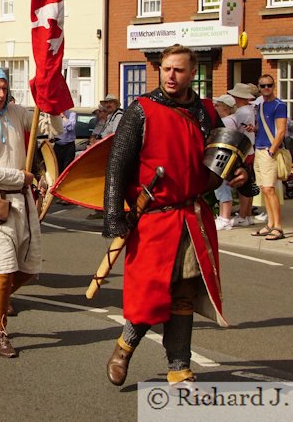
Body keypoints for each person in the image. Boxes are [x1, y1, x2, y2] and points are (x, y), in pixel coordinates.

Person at [102, 44, 247, 387]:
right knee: (152, 292)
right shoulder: (142, 110)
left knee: (184, 291)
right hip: (153, 217)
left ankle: (179, 365)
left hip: (193, 216)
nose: (170, 75)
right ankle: (124, 347)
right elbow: (117, 166)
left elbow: (223, 158)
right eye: (166, 69)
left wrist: (242, 175)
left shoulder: (207, 113)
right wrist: (113, 214)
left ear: (192, 73)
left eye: (178, 70)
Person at [0, 69, 58, 357]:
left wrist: (51, 105)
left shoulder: (17, 113)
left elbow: (50, 129)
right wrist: (20, 177)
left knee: (28, 270)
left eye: (4, 88)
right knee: (3, 271)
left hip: (23, 203)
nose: (1, 95)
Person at [250, 74, 287, 240]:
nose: (266, 88)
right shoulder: (261, 105)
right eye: (263, 85)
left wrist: (272, 149)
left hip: (267, 150)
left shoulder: (279, 105)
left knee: (270, 189)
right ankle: (270, 224)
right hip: (259, 148)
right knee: (264, 189)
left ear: (273, 86)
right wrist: (255, 129)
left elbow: (281, 130)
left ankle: (278, 226)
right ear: (259, 87)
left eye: (269, 85)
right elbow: (265, 127)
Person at [227, 83, 256, 226]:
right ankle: (248, 214)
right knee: (249, 182)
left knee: (242, 184)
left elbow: (236, 130)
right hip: (250, 149)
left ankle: (243, 215)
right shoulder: (250, 110)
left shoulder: (241, 112)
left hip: (242, 149)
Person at [212, 94, 239, 230]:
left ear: (225, 107)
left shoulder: (227, 121)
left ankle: (225, 218)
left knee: (222, 187)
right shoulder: (233, 119)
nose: (215, 107)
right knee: (223, 187)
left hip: (223, 156)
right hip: (228, 156)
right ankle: (224, 217)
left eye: (217, 105)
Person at [53, 108, 77, 173]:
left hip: (68, 146)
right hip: (58, 146)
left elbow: (71, 127)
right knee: (57, 169)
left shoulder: (72, 114)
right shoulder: (54, 115)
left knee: (67, 170)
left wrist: (63, 116)